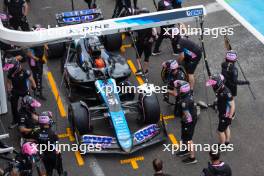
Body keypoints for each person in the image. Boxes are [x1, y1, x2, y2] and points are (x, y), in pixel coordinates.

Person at [168, 80, 197, 164]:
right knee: (184, 137)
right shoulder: (188, 94)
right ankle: (186, 150)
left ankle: (192, 157)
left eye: (178, 89)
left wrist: (185, 122)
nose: (177, 90)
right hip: (189, 119)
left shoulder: (184, 102)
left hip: (189, 122)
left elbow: (187, 116)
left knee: (188, 139)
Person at [33, 111, 66, 176]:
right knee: (59, 167)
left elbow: (35, 141)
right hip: (53, 155)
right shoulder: (53, 133)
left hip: (44, 155)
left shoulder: (37, 132)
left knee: (48, 171)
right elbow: (56, 146)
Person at [6, 58, 36, 129]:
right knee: (13, 106)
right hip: (15, 91)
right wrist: (9, 92)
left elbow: (31, 79)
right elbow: (8, 82)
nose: (11, 70)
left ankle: (31, 118)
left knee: (30, 105)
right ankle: (15, 121)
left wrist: (34, 86)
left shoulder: (25, 72)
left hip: (24, 91)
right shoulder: (10, 72)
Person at [206, 74, 235, 146]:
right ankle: (227, 142)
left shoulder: (226, 93)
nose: (212, 86)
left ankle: (222, 145)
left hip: (226, 115)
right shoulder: (219, 89)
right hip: (224, 113)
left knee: (220, 131)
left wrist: (229, 118)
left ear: (218, 83)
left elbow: (233, 106)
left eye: (213, 85)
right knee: (226, 127)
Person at [27, 25, 48, 100]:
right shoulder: (32, 41)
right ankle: (38, 92)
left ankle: (35, 86)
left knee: (39, 74)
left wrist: (45, 46)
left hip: (39, 59)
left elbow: (45, 48)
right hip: (34, 61)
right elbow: (29, 54)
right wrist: (37, 59)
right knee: (38, 76)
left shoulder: (41, 38)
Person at [134, 9, 157, 75]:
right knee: (146, 57)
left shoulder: (137, 22)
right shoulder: (151, 22)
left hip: (140, 42)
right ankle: (145, 70)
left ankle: (139, 69)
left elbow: (135, 33)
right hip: (148, 43)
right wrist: (152, 38)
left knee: (138, 56)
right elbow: (155, 33)